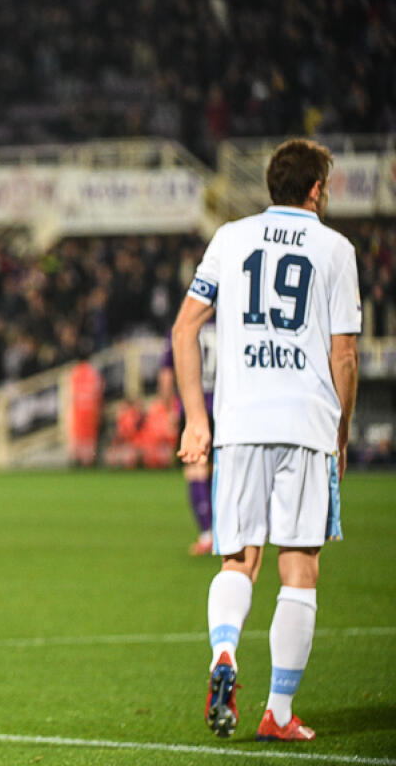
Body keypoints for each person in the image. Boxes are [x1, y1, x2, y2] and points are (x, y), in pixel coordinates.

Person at [173, 139, 360, 742]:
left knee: (239, 559)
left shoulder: (230, 238)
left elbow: (184, 330)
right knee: (299, 565)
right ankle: (277, 712)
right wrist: (342, 432)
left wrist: (197, 420)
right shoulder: (336, 249)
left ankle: (224, 653)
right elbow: (345, 354)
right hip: (305, 424)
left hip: (240, 422)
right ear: (314, 191)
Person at [158, 322, 217, 554]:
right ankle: (226, 532)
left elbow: (166, 375)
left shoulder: (183, 326)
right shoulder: (229, 322)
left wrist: (169, 407)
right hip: (223, 408)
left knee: (196, 469)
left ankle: (207, 534)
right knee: (218, 470)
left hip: (194, 409)